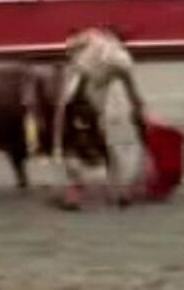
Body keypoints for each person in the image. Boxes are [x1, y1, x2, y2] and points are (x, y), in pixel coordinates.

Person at [52, 26, 148, 196]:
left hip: (76, 97)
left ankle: (75, 187)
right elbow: (133, 93)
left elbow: (69, 45)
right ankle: (119, 189)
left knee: (67, 142)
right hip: (94, 103)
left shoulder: (92, 36)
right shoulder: (123, 59)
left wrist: (78, 53)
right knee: (106, 141)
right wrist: (139, 112)